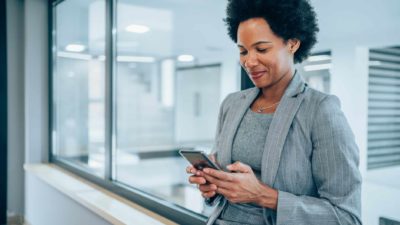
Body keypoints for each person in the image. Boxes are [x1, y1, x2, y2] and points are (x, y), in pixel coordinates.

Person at [186, 0, 362, 224]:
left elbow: (346, 217)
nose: (249, 61)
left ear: (292, 44)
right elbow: (223, 191)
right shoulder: (232, 104)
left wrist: (264, 196)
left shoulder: (320, 110)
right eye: (243, 51)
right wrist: (212, 186)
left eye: (262, 49)